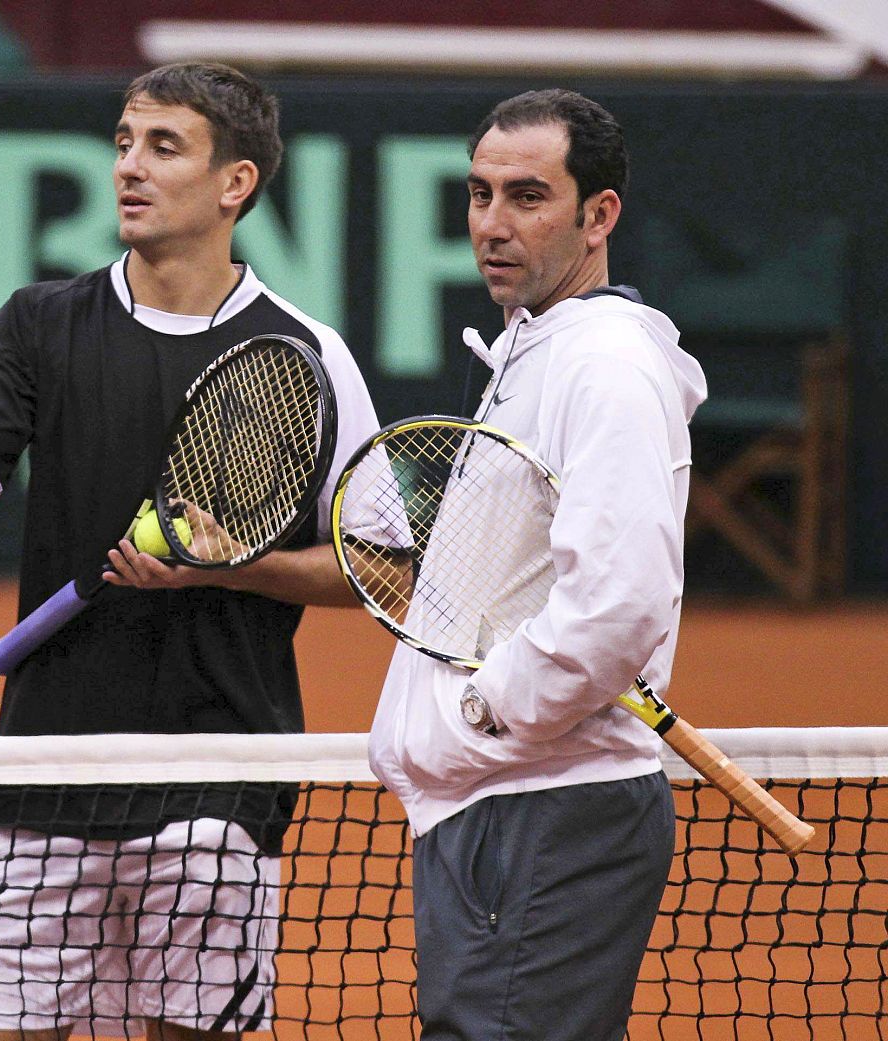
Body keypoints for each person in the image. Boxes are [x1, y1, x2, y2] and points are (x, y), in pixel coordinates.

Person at [0, 62, 379, 1041]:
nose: (129, 166)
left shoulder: (307, 351)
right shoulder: (41, 325)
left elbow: (383, 567)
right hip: (50, 760)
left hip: (221, 776)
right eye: (124, 141)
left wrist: (230, 566)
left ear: (235, 185)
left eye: (163, 146)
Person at [366, 89, 706, 1041]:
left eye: (527, 196)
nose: (492, 225)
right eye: (479, 195)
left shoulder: (604, 366)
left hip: (544, 812)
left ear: (599, 216)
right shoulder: (535, 348)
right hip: (499, 807)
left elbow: (619, 600)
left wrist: (484, 713)